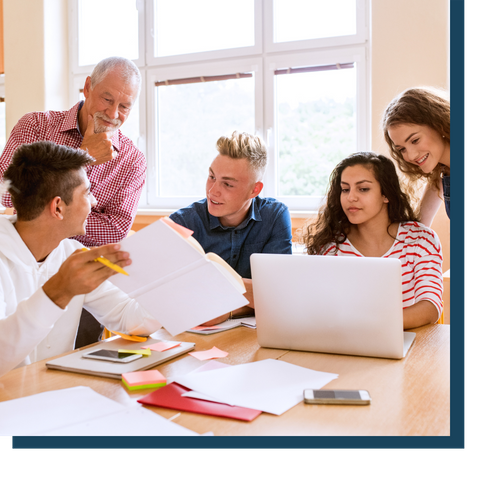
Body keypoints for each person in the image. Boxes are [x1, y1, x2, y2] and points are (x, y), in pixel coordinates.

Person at [0, 141, 161, 378]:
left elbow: (132, 319)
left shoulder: (70, 252)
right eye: (87, 192)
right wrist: (60, 290)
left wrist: (170, 272)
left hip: (52, 397)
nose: (94, 202)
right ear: (58, 208)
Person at [0, 56, 144, 248]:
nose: (113, 114)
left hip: (86, 263)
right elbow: (6, 191)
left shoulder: (132, 161)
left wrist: (43, 210)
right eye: (107, 99)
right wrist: (81, 158)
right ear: (87, 87)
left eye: (124, 106)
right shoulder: (35, 126)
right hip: (27, 254)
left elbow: (115, 231)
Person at [300, 152, 443, 330]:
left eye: (363, 189)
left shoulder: (420, 240)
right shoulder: (330, 246)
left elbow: (430, 307)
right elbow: (317, 309)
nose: (350, 197)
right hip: (345, 342)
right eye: (345, 189)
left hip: (406, 344)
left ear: (386, 194)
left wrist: (369, 325)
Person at [170, 131, 293, 324]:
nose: (212, 191)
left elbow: (280, 295)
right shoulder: (181, 222)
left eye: (227, 184)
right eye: (211, 176)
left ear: (255, 190)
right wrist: (253, 292)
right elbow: (178, 302)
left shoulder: (275, 216)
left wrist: (225, 308)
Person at [382, 87, 450, 227]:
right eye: (402, 149)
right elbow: (420, 226)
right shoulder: (442, 171)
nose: (411, 155)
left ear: (439, 124)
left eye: (415, 140)